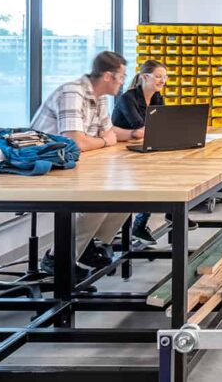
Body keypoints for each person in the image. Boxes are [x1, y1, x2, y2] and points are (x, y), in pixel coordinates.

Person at [30, 51, 144, 279]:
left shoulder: (99, 97)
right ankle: (58, 256)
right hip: (45, 166)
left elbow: (110, 133)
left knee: (132, 195)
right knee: (99, 200)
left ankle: (90, 246)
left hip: (76, 164)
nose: (123, 82)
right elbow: (74, 142)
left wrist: (133, 134)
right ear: (109, 76)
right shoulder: (73, 92)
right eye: (121, 76)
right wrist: (104, 140)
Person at [111, 60, 197, 245]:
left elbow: (160, 125)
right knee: (152, 175)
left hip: (143, 147)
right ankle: (140, 225)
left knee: (178, 165)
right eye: (158, 76)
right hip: (120, 151)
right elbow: (139, 126)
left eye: (165, 77)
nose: (162, 81)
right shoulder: (128, 98)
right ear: (144, 77)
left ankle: (174, 213)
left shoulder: (157, 97)